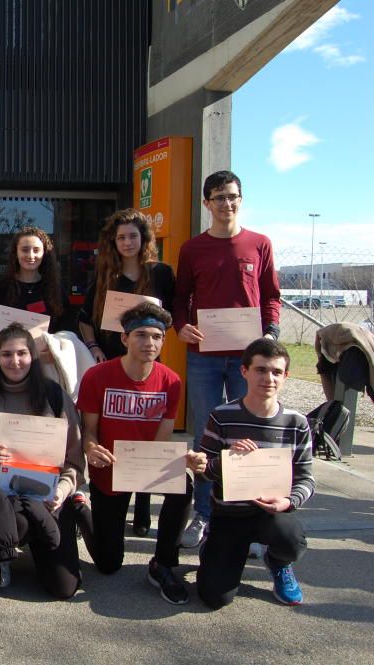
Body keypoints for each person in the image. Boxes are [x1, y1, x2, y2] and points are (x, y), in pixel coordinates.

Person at [173, 171, 281, 549]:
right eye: (218, 197)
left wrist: (270, 334)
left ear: (241, 199)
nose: (226, 203)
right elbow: (180, 297)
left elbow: (271, 296)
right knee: (207, 433)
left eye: (232, 196)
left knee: (247, 434)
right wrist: (181, 326)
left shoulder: (259, 243)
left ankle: (247, 517)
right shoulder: (192, 249)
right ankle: (203, 514)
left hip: (245, 359)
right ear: (207, 204)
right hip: (203, 357)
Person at [73, 302, 206, 605]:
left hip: (143, 464)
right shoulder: (97, 377)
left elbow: (164, 434)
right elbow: (89, 431)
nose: (150, 343)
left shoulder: (171, 381)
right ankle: (81, 507)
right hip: (109, 469)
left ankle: (163, 563)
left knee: (182, 484)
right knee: (108, 565)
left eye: (158, 337)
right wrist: (92, 450)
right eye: (142, 335)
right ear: (125, 339)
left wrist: (173, 462)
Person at [0, 323, 85, 597]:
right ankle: (0, 554)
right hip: (3, 498)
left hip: (49, 496)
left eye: (22, 353)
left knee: (64, 588)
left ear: (33, 357)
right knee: (17, 521)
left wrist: (62, 491)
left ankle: (68, 521)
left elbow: (74, 461)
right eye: (6, 354)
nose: (15, 361)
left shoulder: (54, 396)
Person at [77, 209, 175, 537]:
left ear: (143, 238)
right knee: (114, 432)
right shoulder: (105, 276)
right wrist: (92, 347)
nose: (127, 242)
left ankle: (143, 501)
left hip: (146, 366)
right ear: (113, 242)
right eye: (121, 237)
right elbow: (85, 319)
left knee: (145, 435)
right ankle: (111, 498)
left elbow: (174, 315)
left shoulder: (161, 273)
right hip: (111, 365)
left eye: (133, 235)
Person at [196, 339, 313, 609]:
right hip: (229, 514)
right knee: (215, 597)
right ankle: (215, 548)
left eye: (276, 372)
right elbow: (203, 473)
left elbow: (306, 478)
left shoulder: (296, 423)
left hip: (272, 513)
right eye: (260, 370)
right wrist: (226, 461)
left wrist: (289, 501)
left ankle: (279, 562)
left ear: (286, 376)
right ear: (244, 371)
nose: (268, 378)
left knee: (291, 541)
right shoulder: (222, 416)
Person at [0, 227, 73, 361]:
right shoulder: (0, 289)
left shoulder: (56, 290)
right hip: (9, 367)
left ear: (44, 253)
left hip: (45, 367)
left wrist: (55, 352)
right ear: (15, 253)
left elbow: (67, 331)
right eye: (25, 250)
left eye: (36, 250)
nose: (30, 255)